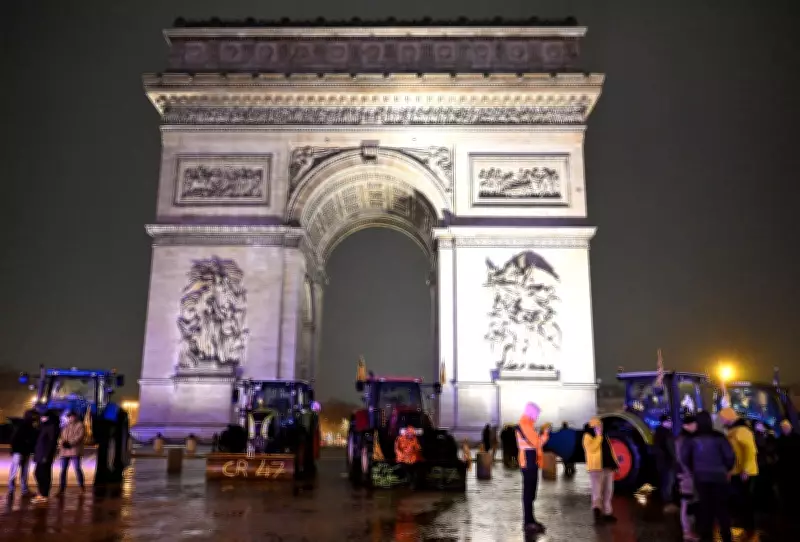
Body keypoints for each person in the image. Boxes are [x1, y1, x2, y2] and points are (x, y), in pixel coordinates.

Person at [681, 410, 735, 542]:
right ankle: (726, 536)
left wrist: (693, 469)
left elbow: (685, 457)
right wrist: (726, 468)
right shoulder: (719, 437)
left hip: (700, 477)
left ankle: (706, 536)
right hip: (719, 477)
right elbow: (729, 456)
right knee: (721, 508)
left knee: (705, 507)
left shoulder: (691, 439)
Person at [719, 407, 758, 534]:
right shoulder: (734, 430)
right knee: (741, 499)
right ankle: (745, 525)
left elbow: (750, 451)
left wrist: (746, 470)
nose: (721, 420)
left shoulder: (742, 430)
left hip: (745, 472)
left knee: (745, 499)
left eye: (722, 418)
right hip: (738, 471)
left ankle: (749, 527)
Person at [516, 402, 549, 534]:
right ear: (531, 413)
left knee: (531, 493)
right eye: (536, 414)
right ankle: (528, 522)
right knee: (528, 493)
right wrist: (545, 434)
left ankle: (531, 520)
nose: (537, 416)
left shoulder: (528, 425)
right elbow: (536, 442)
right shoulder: (525, 425)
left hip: (531, 460)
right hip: (528, 461)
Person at [582, 417, 619, 524]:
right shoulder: (587, 436)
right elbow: (592, 449)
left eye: (601, 426)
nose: (600, 428)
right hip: (596, 469)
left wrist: (615, 464)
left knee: (608, 491)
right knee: (597, 492)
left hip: (608, 468)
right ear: (593, 427)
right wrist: (598, 436)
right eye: (598, 426)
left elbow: (610, 451)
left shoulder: (604, 436)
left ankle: (607, 513)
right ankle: (597, 515)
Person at [675, 415, 699, 541]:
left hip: (686, 474)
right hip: (687, 475)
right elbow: (683, 459)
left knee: (689, 502)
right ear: (687, 425)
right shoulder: (684, 439)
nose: (696, 426)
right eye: (694, 424)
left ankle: (689, 530)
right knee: (686, 502)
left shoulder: (683, 438)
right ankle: (687, 531)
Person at [31, 409, 61, 504]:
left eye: (44, 416)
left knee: (42, 474)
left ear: (49, 417)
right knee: (38, 473)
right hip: (40, 454)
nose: (42, 418)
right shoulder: (44, 426)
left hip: (45, 455)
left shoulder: (51, 427)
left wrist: (46, 456)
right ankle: (42, 493)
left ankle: (43, 494)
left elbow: (51, 443)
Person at [7, 409, 39, 498]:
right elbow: (15, 440)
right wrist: (18, 451)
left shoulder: (29, 426)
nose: (36, 418)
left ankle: (18, 490)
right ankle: (14, 490)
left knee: (22, 472)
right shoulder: (23, 426)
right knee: (16, 472)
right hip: (20, 452)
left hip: (24, 452)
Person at [57, 410, 86, 495]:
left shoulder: (80, 425)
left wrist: (70, 443)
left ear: (76, 417)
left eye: (72, 416)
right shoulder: (65, 426)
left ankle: (81, 486)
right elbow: (61, 437)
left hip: (74, 450)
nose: (70, 418)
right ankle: (61, 488)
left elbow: (79, 436)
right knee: (63, 470)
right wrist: (61, 442)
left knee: (77, 468)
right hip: (64, 451)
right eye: (69, 417)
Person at [654, 414, 678, 512]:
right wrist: (676, 458)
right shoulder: (666, 434)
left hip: (662, 462)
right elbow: (671, 449)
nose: (671, 423)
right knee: (668, 482)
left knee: (665, 481)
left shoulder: (658, 432)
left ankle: (666, 501)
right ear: (664, 422)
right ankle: (667, 503)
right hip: (667, 462)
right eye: (669, 421)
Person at [775, 419, 800, 511]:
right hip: (785, 469)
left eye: (786, 426)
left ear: (791, 426)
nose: (784, 428)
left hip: (795, 468)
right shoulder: (780, 440)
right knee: (787, 490)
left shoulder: (797, 438)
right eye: (783, 427)